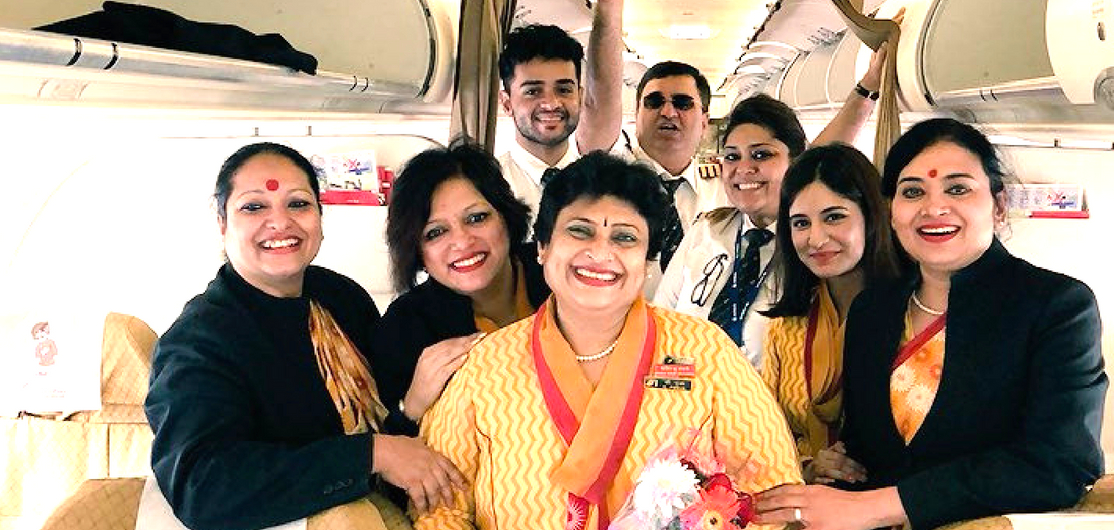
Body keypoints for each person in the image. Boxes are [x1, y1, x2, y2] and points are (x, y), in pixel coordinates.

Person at [413, 152, 802, 530]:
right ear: (543, 248)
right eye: (579, 231)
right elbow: (439, 506)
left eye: (625, 238)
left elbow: (773, 489)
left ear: (648, 262)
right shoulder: (483, 366)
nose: (600, 252)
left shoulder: (706, 350)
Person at [756, 119, 1108, 530]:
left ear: (998, 204)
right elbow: (872, 452)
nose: (933, 208)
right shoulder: (874, 311)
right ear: (891, 212)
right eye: (912, 192)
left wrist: (881, 505)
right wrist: (841, 464)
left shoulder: (1055, 307)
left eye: (957, 189)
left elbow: (1060, 465)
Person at [145, 142, 464, 530]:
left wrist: (410, 410)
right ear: (222, 223)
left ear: (320, 216)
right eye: (253, 206)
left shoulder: (339, 298)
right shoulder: (198, 341)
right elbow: (202, 485)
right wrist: (369, 455)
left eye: (298, 204)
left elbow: (378, 420)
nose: (280, 223)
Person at [581, 0, 891, 273]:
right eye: (654, 102)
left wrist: (866, 89)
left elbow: (814, 161)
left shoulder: (730, 184)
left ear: (704, 119)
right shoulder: (610, 172)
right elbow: (600, 99)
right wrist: (609, 5)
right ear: (635, 112)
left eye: (683, 103)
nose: (668, 111)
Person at [373, 140, 550, 433]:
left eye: (477, 218)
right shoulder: (403, 329)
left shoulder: (558, 275)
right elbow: (388, 457)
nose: (463, 242)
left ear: (506, 217)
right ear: (417, 251)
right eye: (436, 232)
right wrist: (412, 407)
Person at [758, 143, 902, 483]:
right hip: (804, 502)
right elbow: (767, 431)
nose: (816, 239)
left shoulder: (912, 315)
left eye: (834, 217)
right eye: (800, 223)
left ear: (871, 216)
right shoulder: (787, 326)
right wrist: (808, 466)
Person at [652, 94, 807, 367]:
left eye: (761, 154)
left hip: (768, 405)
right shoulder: (705, 231)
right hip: (689, 400)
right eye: (732, 157)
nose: (744, 169)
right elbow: (660, 323)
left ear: (795, 163)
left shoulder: (809, 248)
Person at [495, 24, 620, 223]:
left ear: (579, 97)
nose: (551, 104)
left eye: (563, 90)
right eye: (533, 91)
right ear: (507, 103)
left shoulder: (605, 184)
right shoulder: (489, 188)